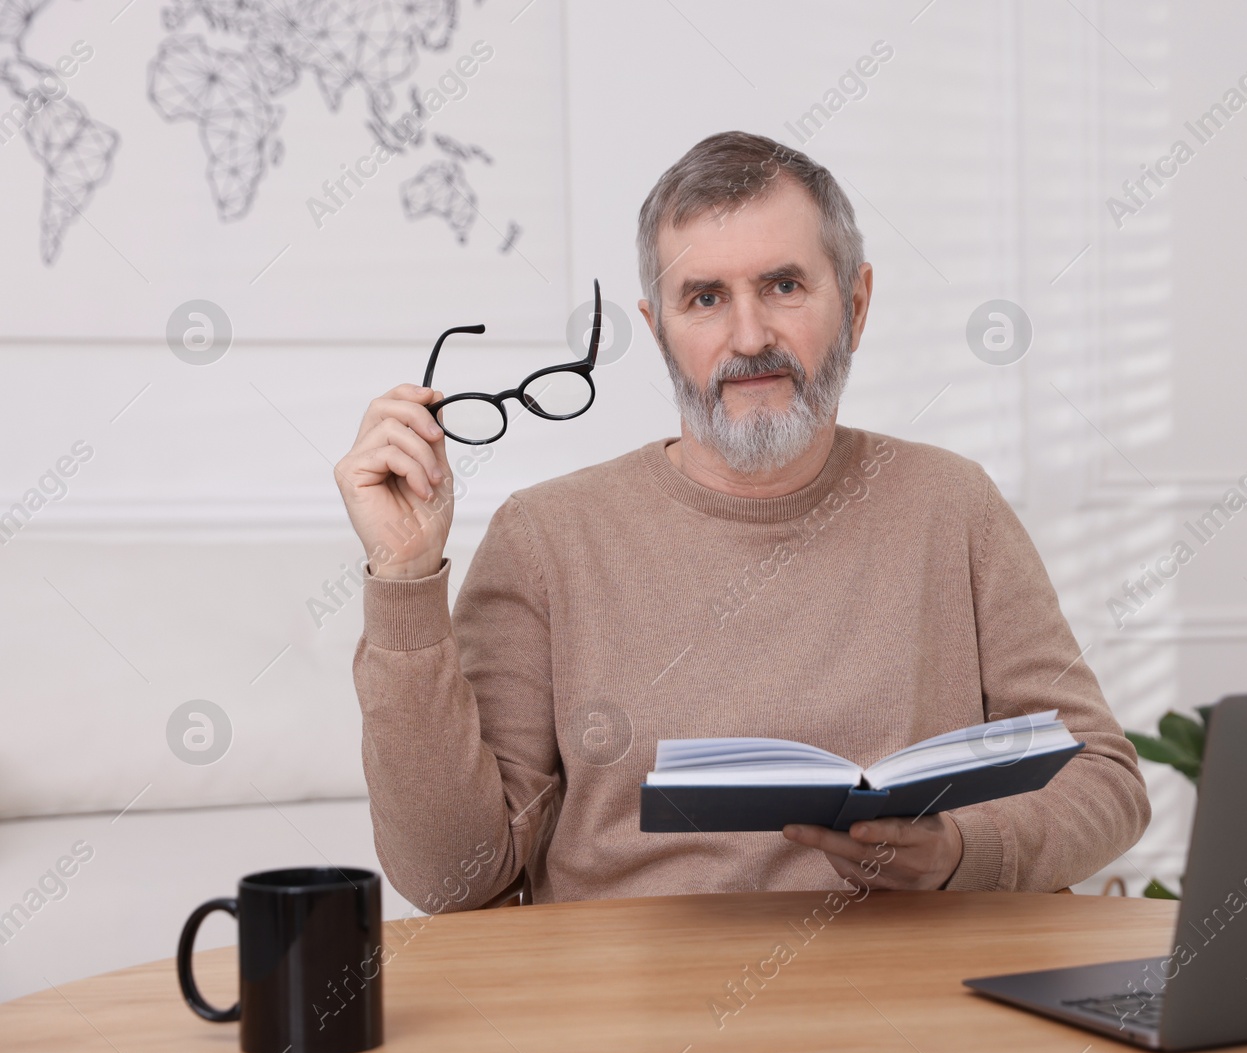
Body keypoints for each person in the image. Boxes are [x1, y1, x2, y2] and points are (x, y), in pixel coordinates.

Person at [335, 130, 1149, 910]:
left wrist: (961, 851)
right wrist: (404, 579)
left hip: (909, 990)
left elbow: (1106, 779)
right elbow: (450, 879)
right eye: (706, 298)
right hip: (634, 1009)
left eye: (784, 285)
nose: (750, 336)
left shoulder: (952, 503)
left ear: (856, 305)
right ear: (659, 333)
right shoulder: (546, 538)